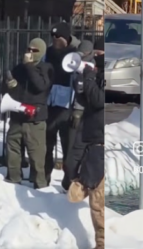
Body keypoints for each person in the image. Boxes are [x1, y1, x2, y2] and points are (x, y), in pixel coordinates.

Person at [64, 40, 105, 249]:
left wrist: (89, 76)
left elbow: (98, 100)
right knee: (96, 203)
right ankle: (101, 247)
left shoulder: (104, 75)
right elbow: (86, 97)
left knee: (98, 204)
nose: (95, 57)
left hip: (100, 143)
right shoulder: (96, 73)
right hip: (92, 137)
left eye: (99, 53)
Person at [6, 38, 53, 189]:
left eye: (34, 50)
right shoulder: (19, 68)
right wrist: (10, 85)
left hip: (35, 120)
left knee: (37, 155)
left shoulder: (46, 68)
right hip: (17, 117)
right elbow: (12, 92)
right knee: (13, 150)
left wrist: (30, 66)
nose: (30, 53)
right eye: (29, 49)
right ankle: (13, 178)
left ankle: (40, 184)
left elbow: (40, 86)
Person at [44, 22, 81, 187]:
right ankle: (44, 179)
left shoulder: (75, 54)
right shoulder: (48, 52)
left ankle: (68, 182)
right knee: (46, 146)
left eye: (57, 36)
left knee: (68, 148)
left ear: (66, 37)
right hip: (49, 105)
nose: (54, 39)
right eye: (52, 36)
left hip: (67, 108)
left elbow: (79, 84)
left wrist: (77, 109)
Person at [61, 40, 96, 191]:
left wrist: (78, 110)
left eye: (83, 53)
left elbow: (83, 93)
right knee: (69, 146)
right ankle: (67, 180)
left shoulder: (90, 68)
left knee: (74, 150)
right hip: (70, 109)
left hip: (80, 113)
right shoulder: (75, 63)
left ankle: (71, 182)